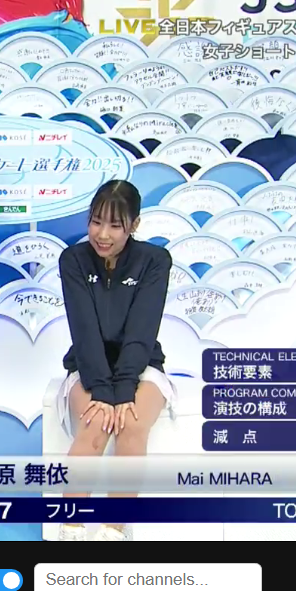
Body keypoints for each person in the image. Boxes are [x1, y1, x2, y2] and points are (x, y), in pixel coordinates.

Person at [55, 179, 176, 542]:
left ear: (134, 225)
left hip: (141, 367)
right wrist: (103, 391)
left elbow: (142, 329)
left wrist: (124, 390)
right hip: (89, 367)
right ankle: (70, 529)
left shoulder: (155, 261)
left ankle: (114, 530)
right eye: (95, 222)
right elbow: (84, 331)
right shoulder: (73, 260)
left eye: (114, 225)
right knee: (95, 425)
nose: (102, 234)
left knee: (131, 423)